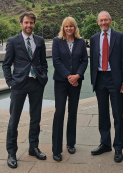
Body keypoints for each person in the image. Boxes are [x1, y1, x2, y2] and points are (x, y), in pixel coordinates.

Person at [2, 12, 48, 169]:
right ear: (21, 23)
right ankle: (12, 153)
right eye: (26, 22)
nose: (29, 25)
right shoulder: (13, 41)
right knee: (14, 120)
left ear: (34, 24)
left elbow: (43, 62)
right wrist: (10, 83)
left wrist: (44, 76)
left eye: (32, 23)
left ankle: (33, 147)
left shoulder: (40, 41)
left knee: (36, 118)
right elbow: (6, 64)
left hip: (36, 84)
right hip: (19, 85)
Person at [89, 11, 123, 163]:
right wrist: (93, 80)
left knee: (117, 114)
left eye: (106, 20)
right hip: (100, 79)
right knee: (103, 113)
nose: (104, 23)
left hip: (115, 79)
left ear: (111, 21)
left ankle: (118, 147)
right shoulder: (93, 39)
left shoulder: (119, 37)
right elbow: (93, 61)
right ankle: (105, 144)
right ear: (98, 22)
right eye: (101, 20)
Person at [51, 17, 88, 162]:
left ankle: (71, 143)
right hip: (61, 82)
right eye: (66, 26)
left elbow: (84, 60)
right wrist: (69, 76)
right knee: (59, 112)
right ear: (63, 27)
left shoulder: (80, 41)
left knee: (72, 112)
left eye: (71, 26)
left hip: (76, 82)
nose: (68, 29)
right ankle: (56, 149)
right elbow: (56, 61)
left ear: (75, 27)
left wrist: (77, 75)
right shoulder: (57, 41)